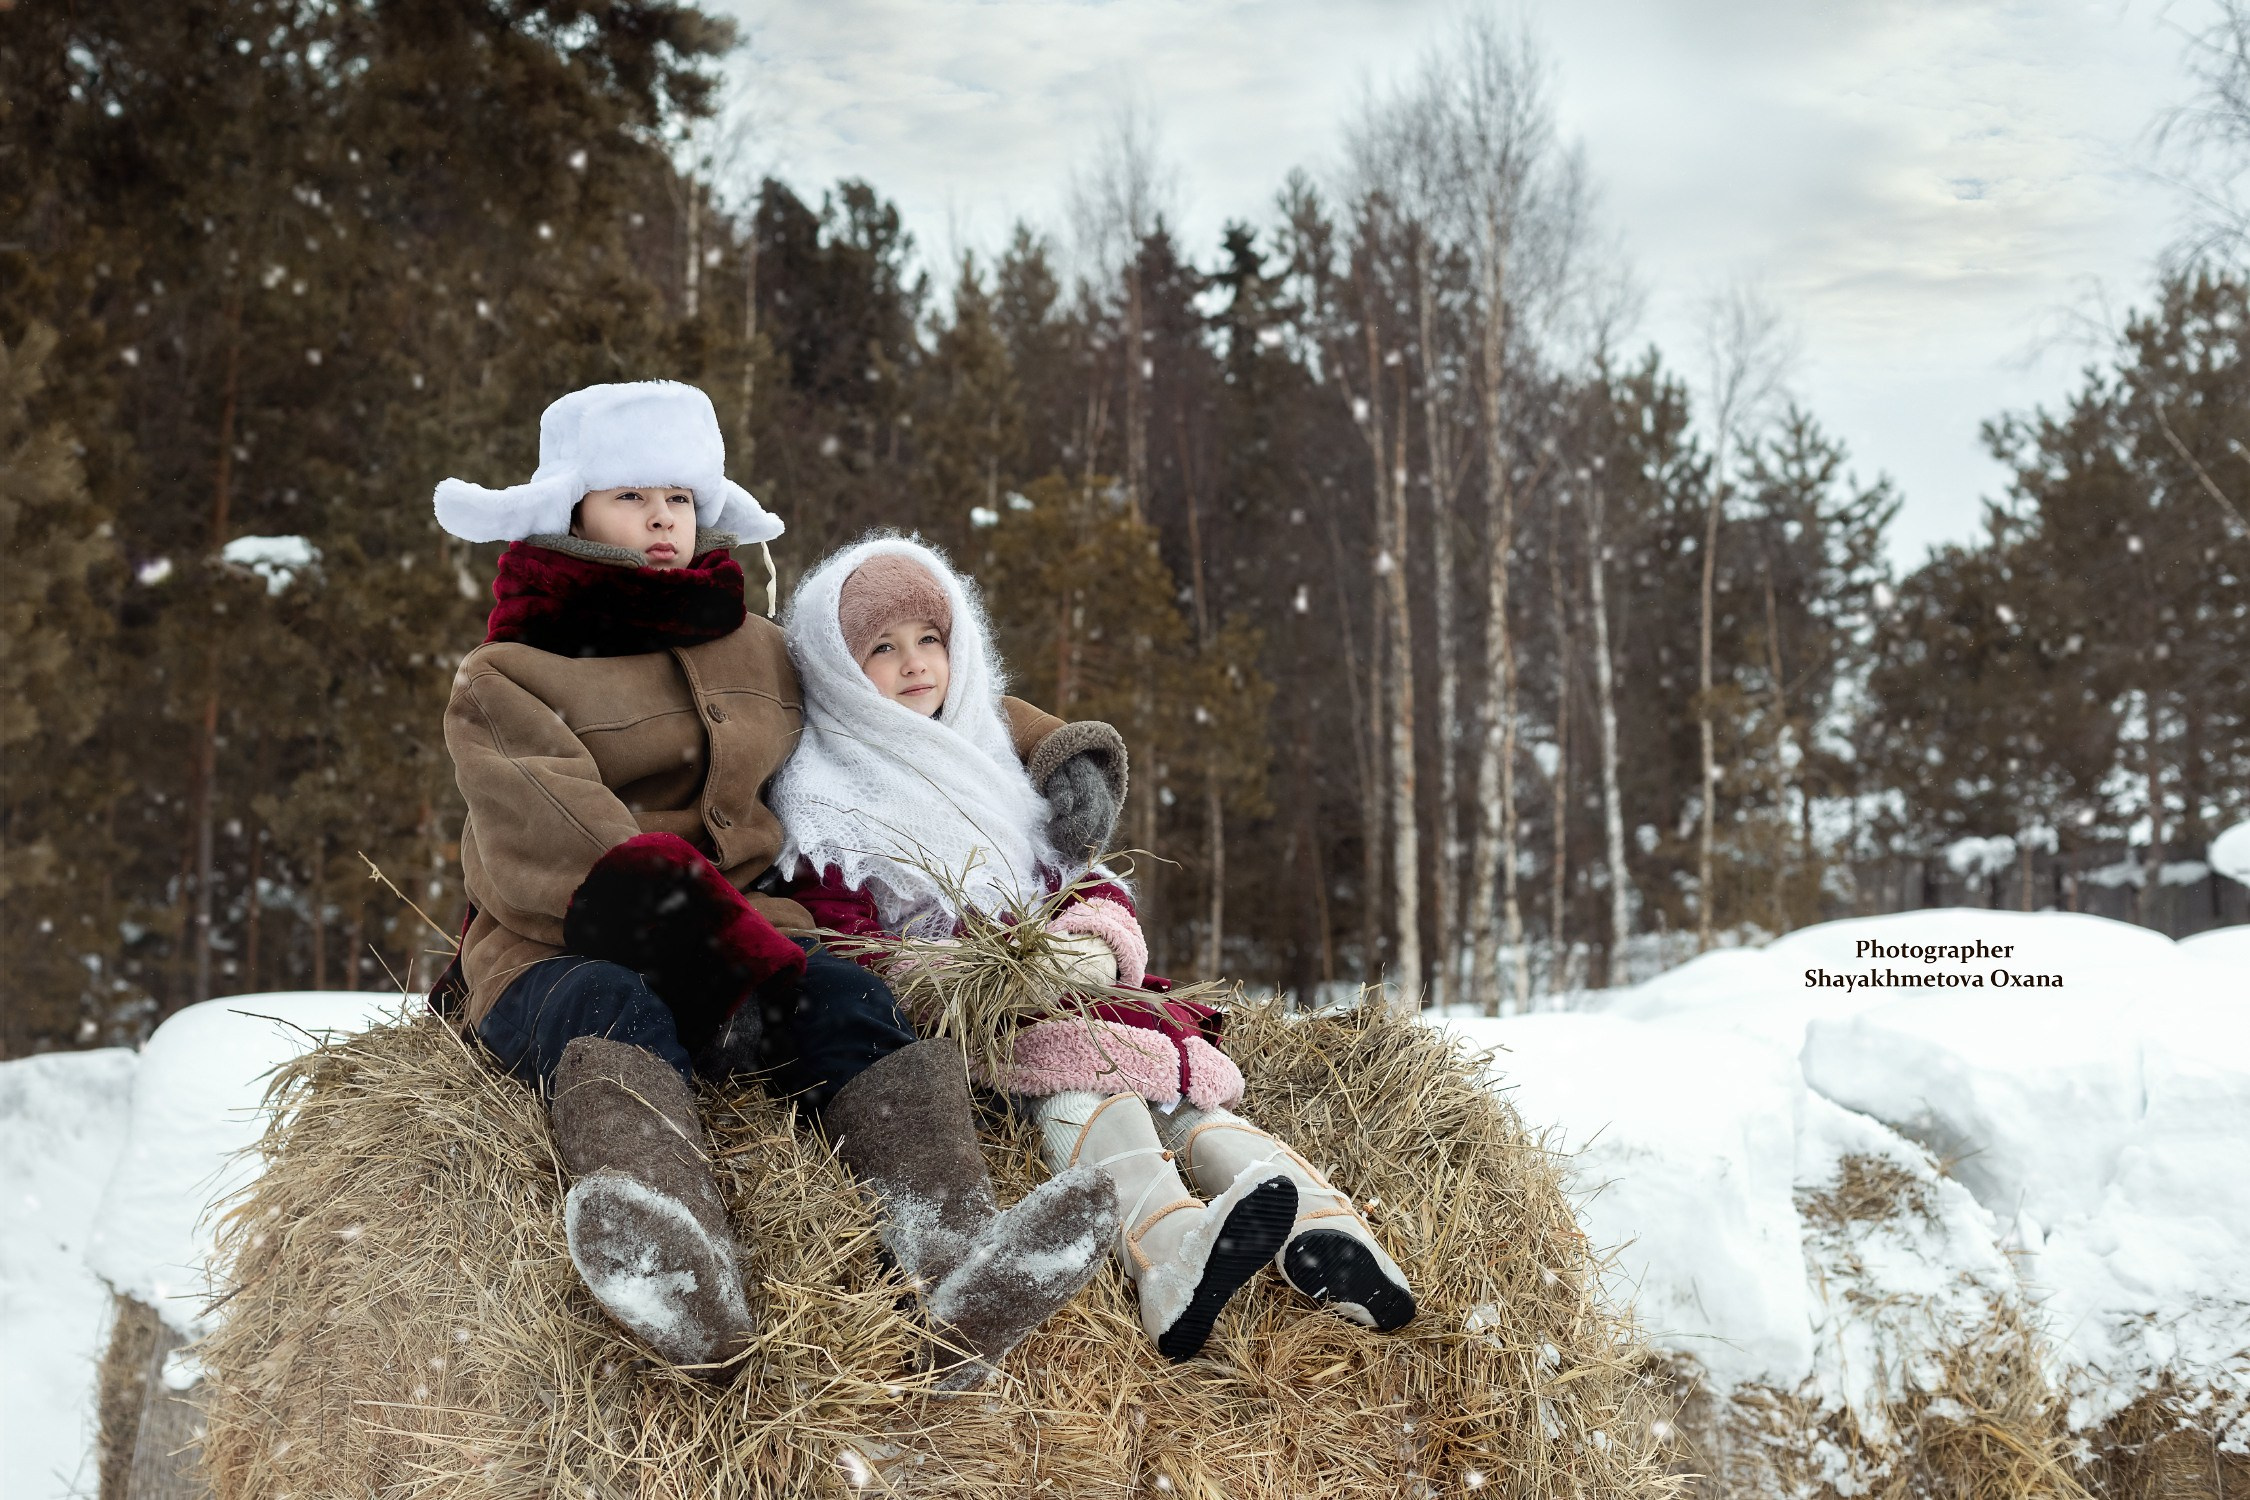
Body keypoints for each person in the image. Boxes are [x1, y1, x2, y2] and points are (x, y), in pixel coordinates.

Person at [431, 381, 1120, 1390]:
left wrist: (1051, 750)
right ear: (570, 510)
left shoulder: (753, 644)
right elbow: (569, 838)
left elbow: (892, 695)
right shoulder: (507, 676)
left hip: (756, 934)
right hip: (562, 949)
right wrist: (719, 961)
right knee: (610, 1006)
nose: (661, 517)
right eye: (630, 496)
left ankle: (956, 1255)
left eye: (677, 496)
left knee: (849, 999)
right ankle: (675, 1270)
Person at [770, 534, 1417, 1362]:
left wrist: (1089, 942)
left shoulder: (989, 756)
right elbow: (847, 945)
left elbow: (1080, 876)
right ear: (837, 670)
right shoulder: (826, 799)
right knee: (1086, 1090)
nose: (916, 663)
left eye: (930, 638)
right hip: (987, 1022)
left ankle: (1324, 1230)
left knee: (1191, 1105)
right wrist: (974, 978)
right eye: (883, 649)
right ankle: (1170, 1255)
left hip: (1076, 989)